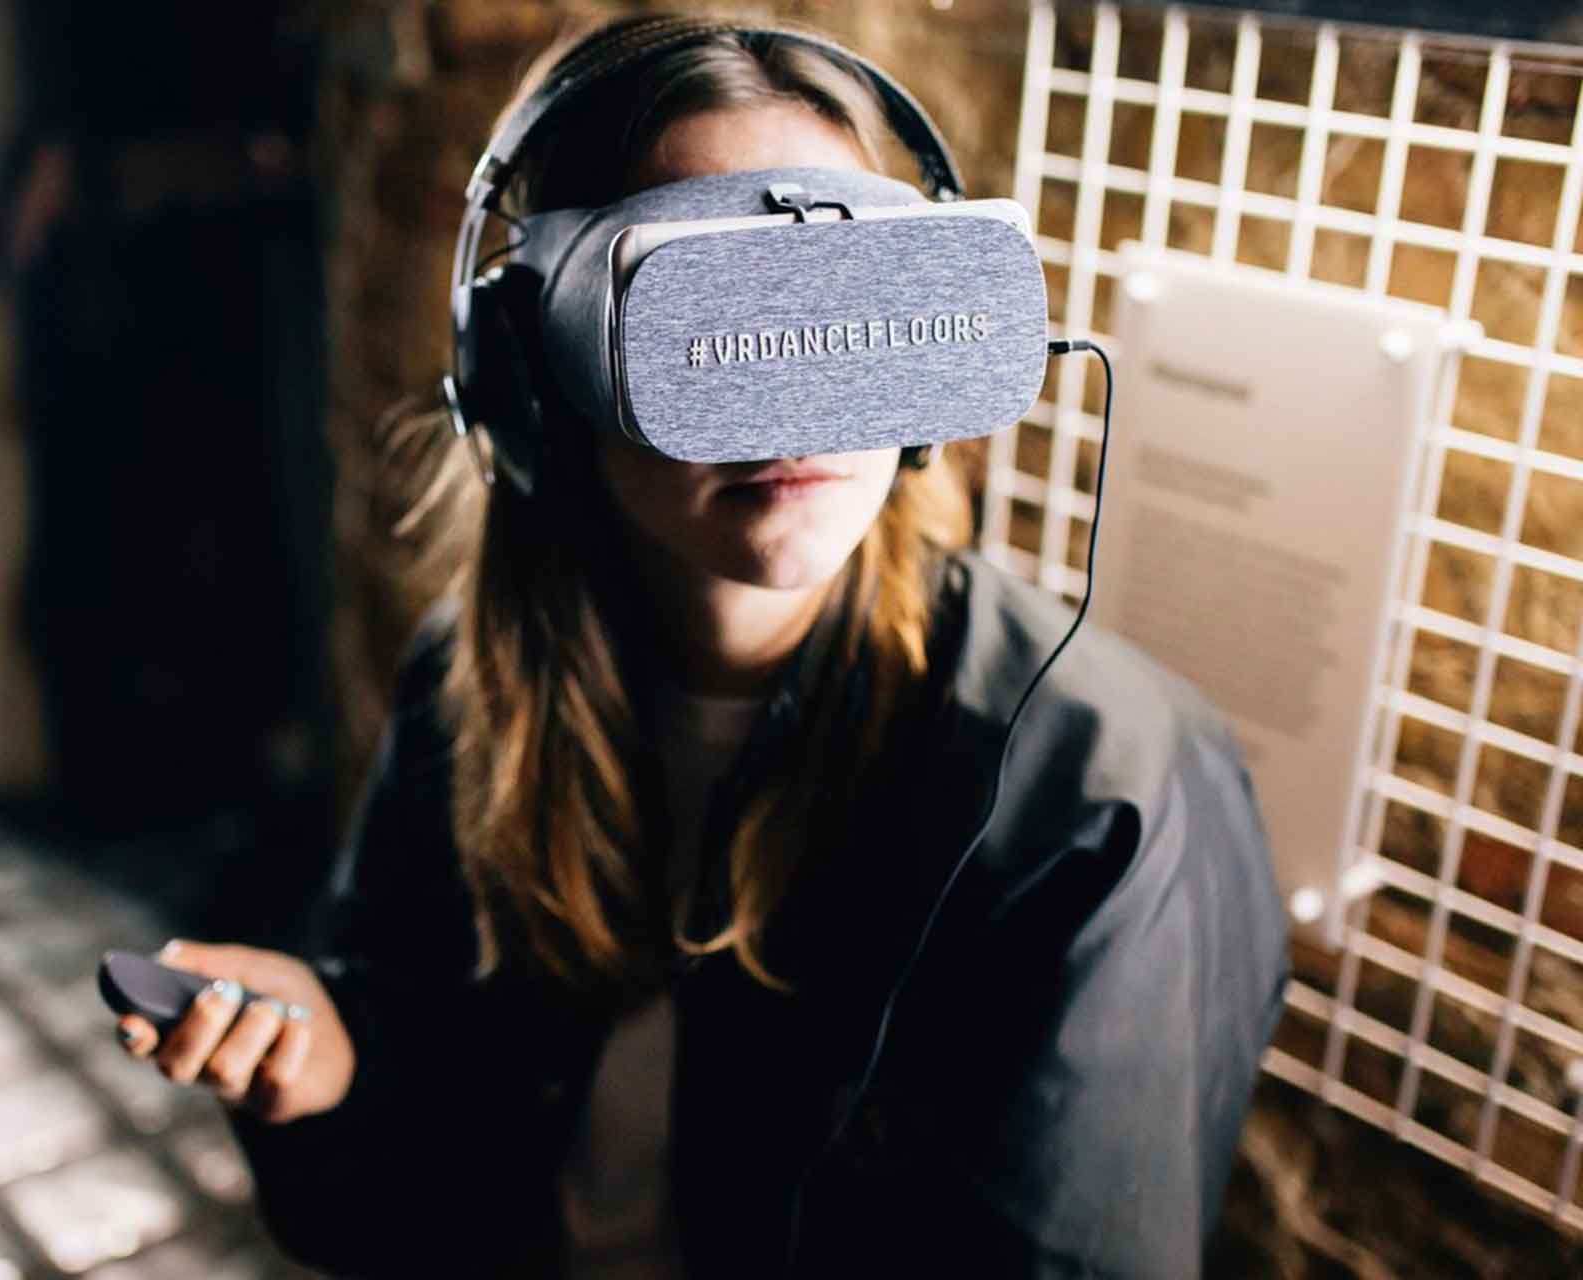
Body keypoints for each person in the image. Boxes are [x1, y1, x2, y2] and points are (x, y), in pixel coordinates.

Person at [112, 15, 1289, 1278]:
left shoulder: (1100, 800)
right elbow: (430, 1171)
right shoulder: (474, 685)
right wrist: (332, 1061)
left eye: (847, 309)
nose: (796, 405)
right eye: (707, 324)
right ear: (531, 372)